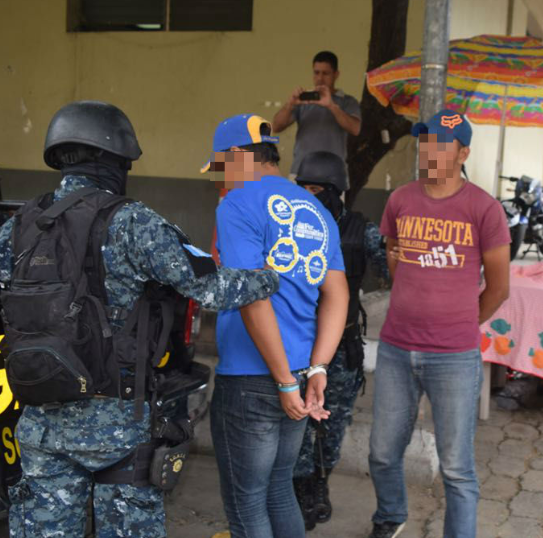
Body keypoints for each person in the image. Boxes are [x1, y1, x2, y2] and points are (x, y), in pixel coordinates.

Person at [0, 101, 280, 538]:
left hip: (40, 422)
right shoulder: (132, 221)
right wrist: (269, 278)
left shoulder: (19, 225)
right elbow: (210, 287)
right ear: (115, 159)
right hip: (118, 426)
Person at [368, 110, 510, 538]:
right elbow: (396, 259)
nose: (428, 151)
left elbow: (499, 288)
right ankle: (391, 515)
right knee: (381, 453)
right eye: (424, 141)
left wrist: (459, 322)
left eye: (440, 143)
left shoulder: (484, 209)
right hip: (395, 348)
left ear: (463, 152)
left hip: (454, 356)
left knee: (457, 468)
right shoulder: (401, 201)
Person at [206, 114, 348, 537]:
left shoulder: (237, 203)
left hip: (253, 379)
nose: (221, 177)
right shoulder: (315, 208)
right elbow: (337, 295)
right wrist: (317, 367)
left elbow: (252, 295)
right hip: (303, 374)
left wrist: (284, 379)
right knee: (278, 490)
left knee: (247, 503)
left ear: (236, 157)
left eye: (220, 166)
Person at [291, 151, 388, 530]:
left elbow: (390, 270)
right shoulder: (288, 224)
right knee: (295, 428)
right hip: (295, 347)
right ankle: (298, 491)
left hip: (340, 351)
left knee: (331, 428)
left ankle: (318, 486)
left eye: (318, 190)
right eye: (304, 189)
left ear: (337, 191)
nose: (309, 197)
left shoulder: (360, 230)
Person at [271, 51, 361, 188]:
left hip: (333, 175)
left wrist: (331, 106)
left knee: (331, 210)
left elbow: (355, 128)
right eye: (316, 72)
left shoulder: (347, 102)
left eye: (325, 73)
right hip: (300, 173)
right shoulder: (304, 100)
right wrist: (290, 104)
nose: (320, 78)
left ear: (336, 74)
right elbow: (276, 126)